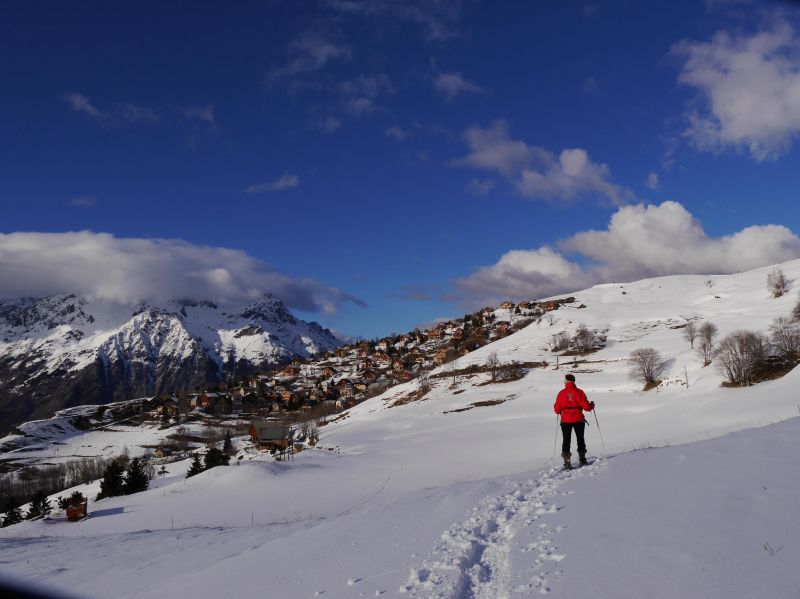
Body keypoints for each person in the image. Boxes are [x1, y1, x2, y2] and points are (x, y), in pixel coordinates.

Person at [554, 373, 595, 470]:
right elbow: (586, 407)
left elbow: (557, 410)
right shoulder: (579, 392)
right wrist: (592, 405)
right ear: (573, 381)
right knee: (580, 438)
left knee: (566, 440)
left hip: (566, 420)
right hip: (578, 418)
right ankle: (582, 459)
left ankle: (567, 463)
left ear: (566, 381)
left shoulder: (561, 393)